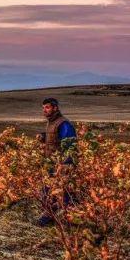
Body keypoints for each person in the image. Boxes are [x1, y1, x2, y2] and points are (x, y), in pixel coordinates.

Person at [35, 97, 77, 227]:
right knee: (50, 191)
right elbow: (55, 139)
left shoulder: (63, 124)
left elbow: (70, 145)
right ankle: (56, 216)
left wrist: (65, 165)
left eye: (47, 107)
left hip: (60, 165)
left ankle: (56, 218)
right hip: (51, 164)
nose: (44, 110)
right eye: (43, 108)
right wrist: (43, 137)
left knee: (58, 191)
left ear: (55, 108)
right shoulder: (52, 123)